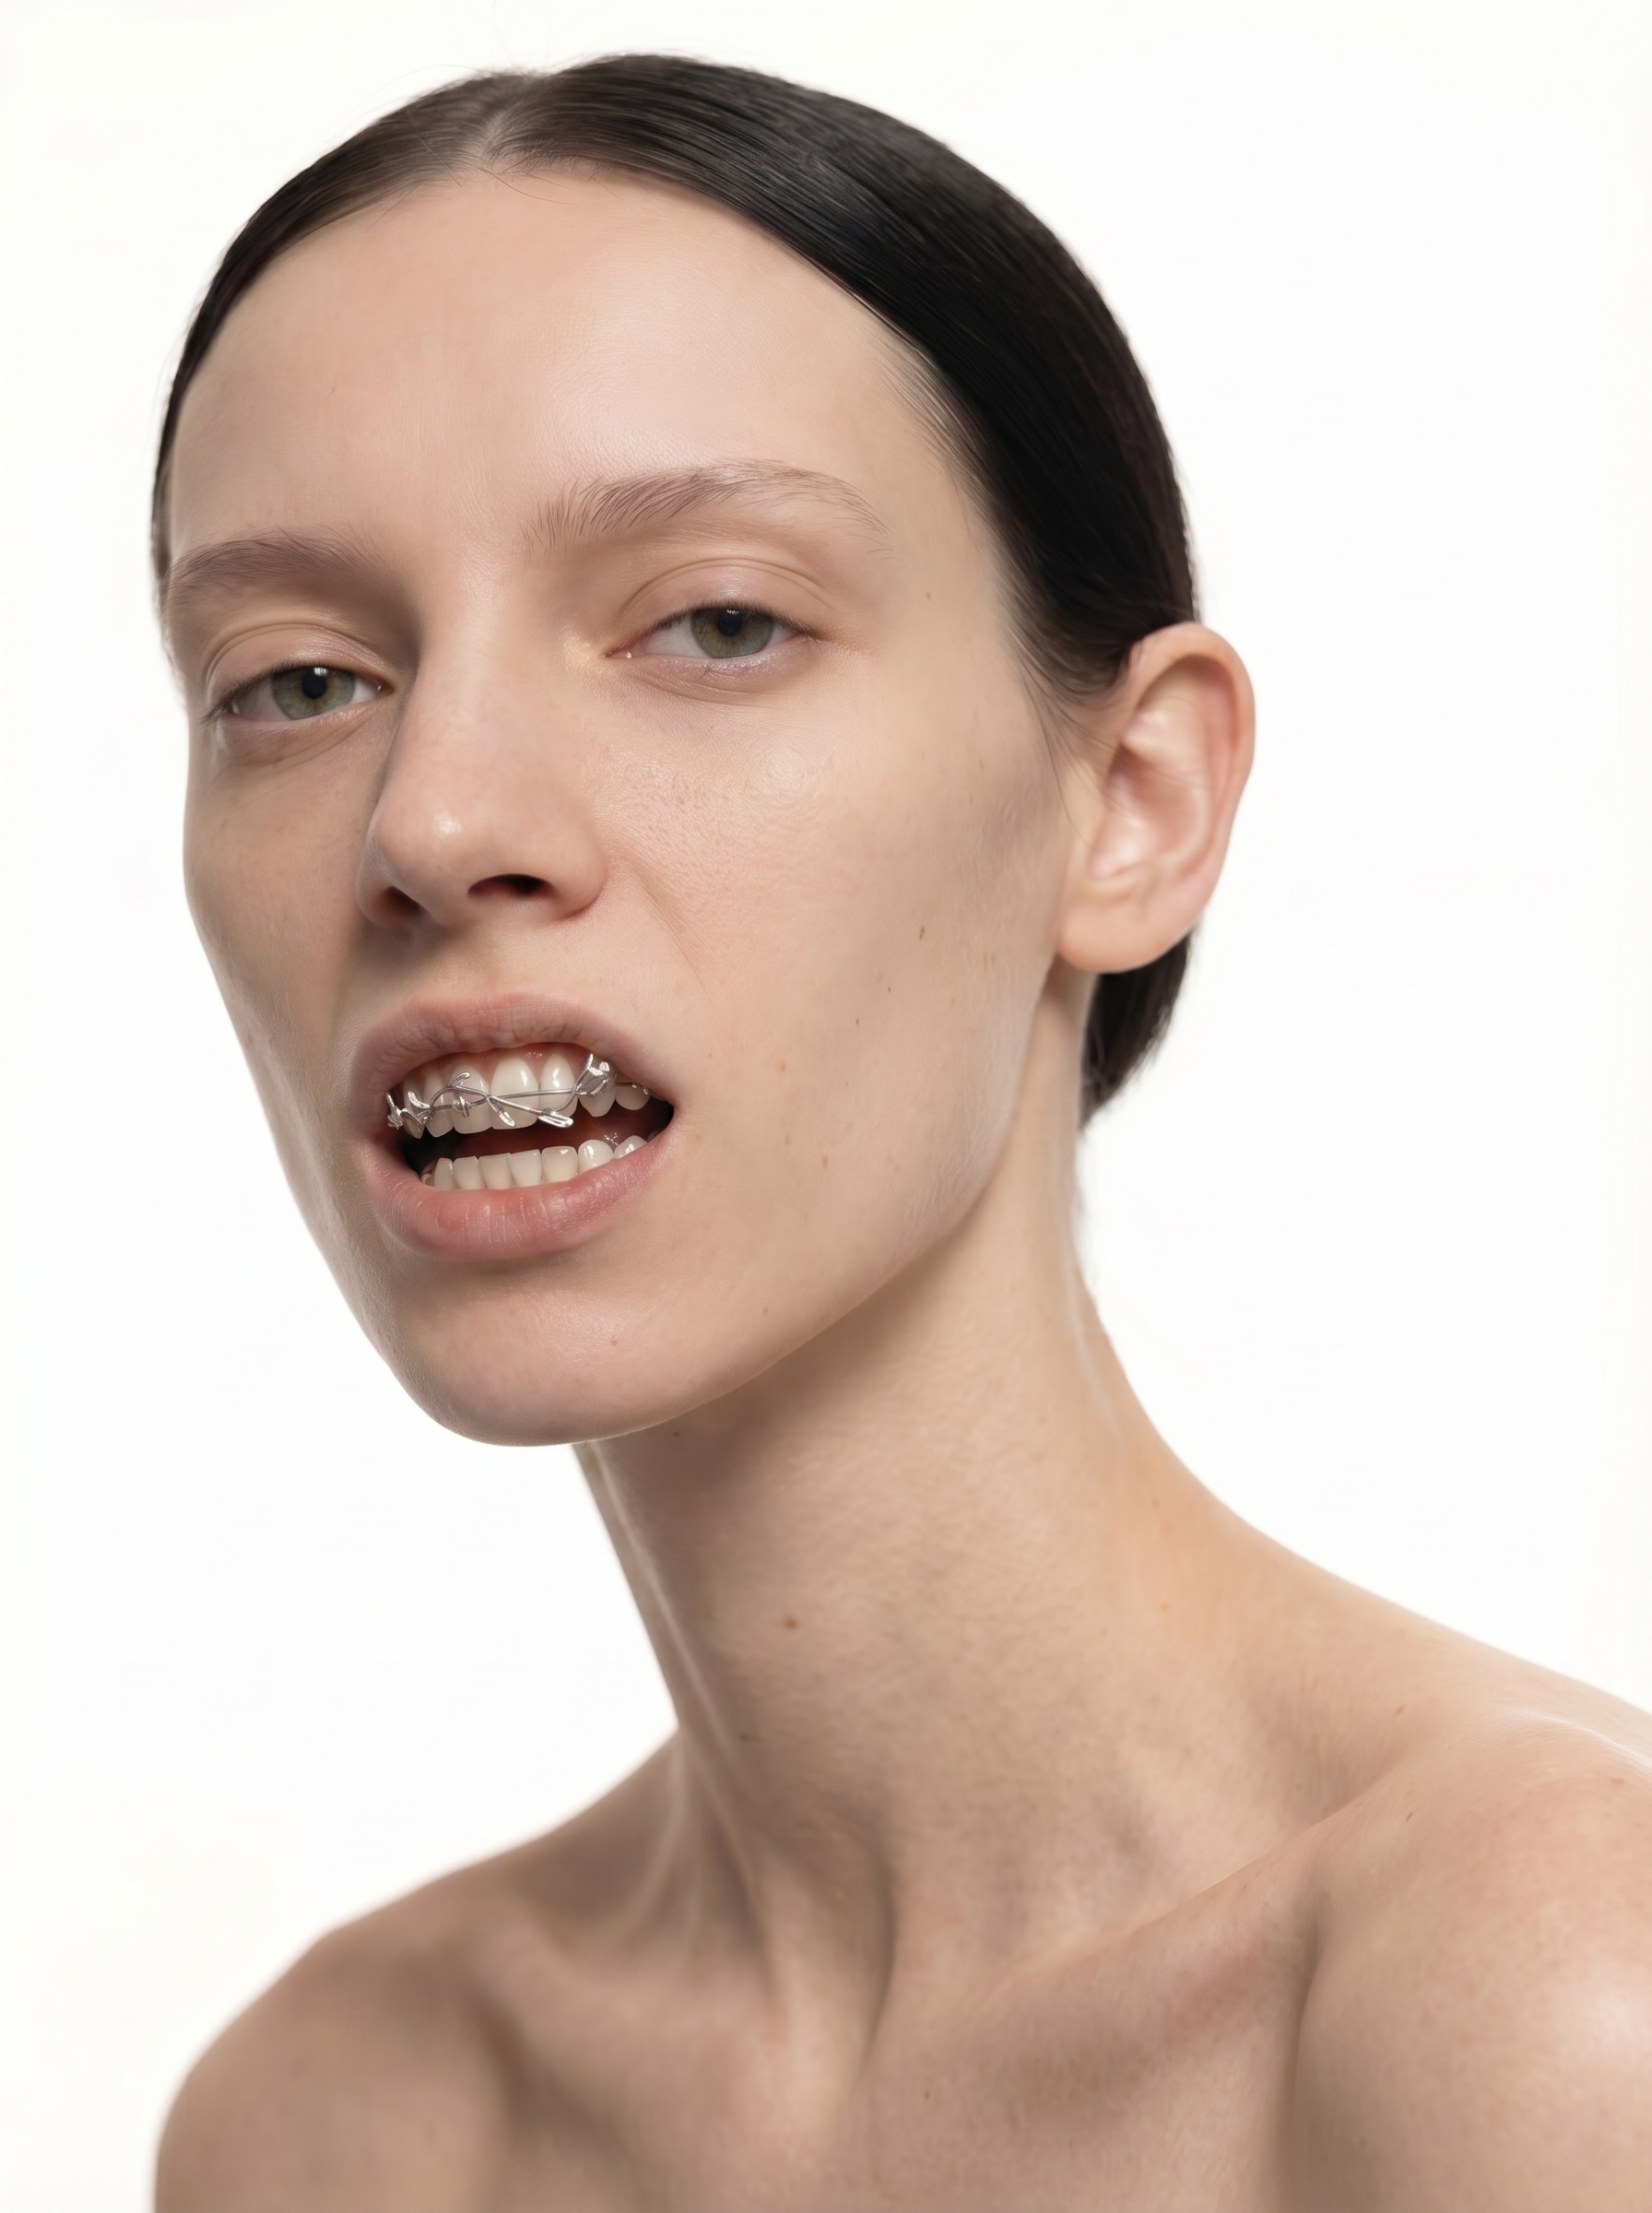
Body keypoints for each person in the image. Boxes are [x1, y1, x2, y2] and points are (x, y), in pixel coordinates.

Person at [150, 53, 1652, 2210]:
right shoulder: (331, 2131)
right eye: (295, 680)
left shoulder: (1556, 2003)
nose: (435, 819)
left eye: (715, 623)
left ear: (1128, 804)